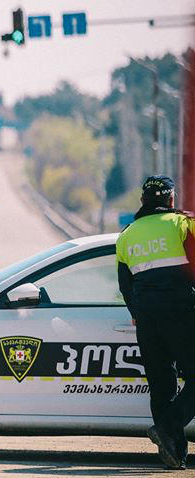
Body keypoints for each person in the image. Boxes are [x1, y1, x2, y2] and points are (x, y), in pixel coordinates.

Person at [117, 175, 195, 470]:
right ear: (171, 200)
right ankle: (168, 427)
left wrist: (138, 312)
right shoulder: (182, 224)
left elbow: (126, 286)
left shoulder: (127, 234)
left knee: (161, 386)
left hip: (147, 320)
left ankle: (174, 455)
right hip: (182, 313)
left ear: (143, 202)